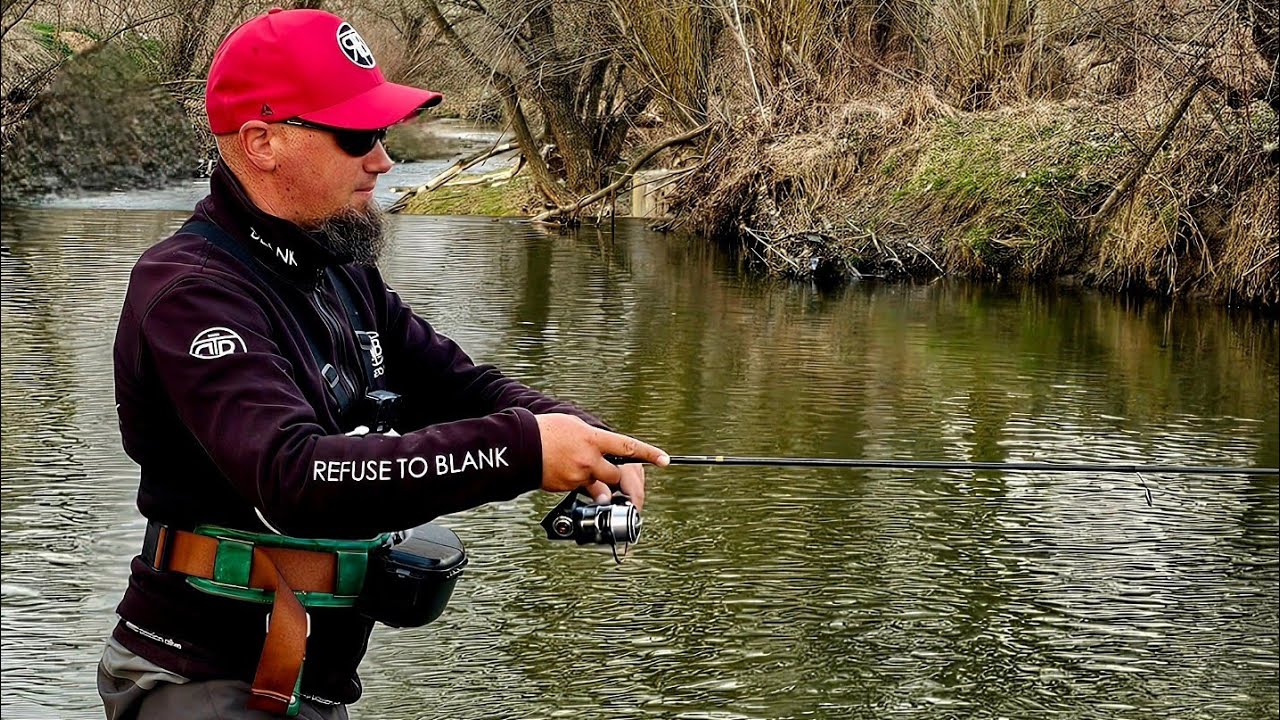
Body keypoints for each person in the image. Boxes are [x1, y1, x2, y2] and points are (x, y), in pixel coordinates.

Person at [97, 8, 668, 719]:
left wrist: (578, 433)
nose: (383, 159)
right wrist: (522, 451)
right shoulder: (191, 291)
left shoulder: (339, 271)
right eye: (357, 134)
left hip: (307, 680)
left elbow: (461, 387)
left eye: (385, 133)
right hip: (201, 679)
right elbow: (292, 475)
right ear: (261, 141)